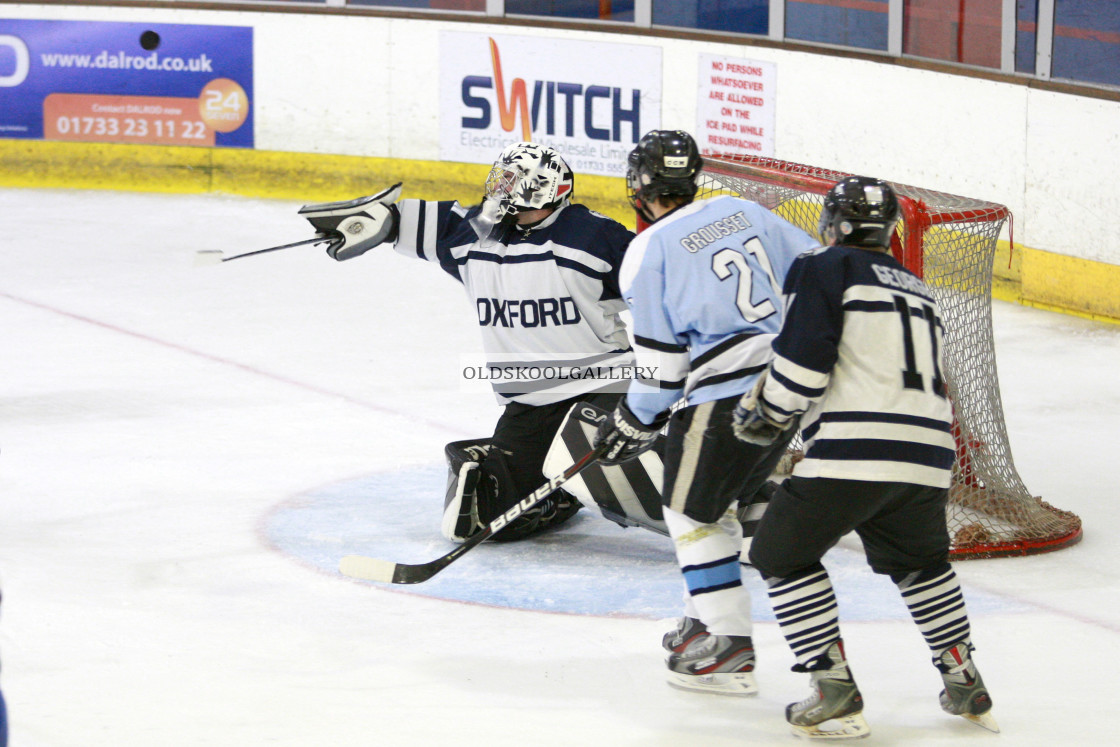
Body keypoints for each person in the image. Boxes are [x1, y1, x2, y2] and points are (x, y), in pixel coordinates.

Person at [733, 176, 998, 738]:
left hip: (854, 451)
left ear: (833, 224)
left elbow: (804, 359)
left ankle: (833, 686)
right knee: (921, 565)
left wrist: (770, 412)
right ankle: (964, 677)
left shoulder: (822, 267)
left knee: (779, 553)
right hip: (929, 458)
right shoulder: (919, 288)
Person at [300, 142, 635, 543]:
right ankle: (560, 497)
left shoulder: (595, 238)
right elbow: (412, 219)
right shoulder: (476, 231)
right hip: (529, 403)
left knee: (627, 487)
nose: (502, 193)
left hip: (605, 389)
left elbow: (665, 296)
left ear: (547, 191)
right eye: (502, 181)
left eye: (514, 184)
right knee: (491, 520)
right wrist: (375, 220)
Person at [592, 130, 820, 695]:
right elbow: (816, 271)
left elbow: (663, 364)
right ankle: (704, 620)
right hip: (784, 388)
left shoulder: (646, 251)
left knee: (689, 511)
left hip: (722, 395)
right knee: (714, 502)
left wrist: (635, 418)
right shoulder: (743, 209)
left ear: (639, 186)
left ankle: (727, 641)